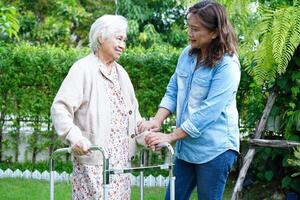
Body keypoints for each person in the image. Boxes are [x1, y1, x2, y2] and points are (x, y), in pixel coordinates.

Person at [138, 1, 241, 199]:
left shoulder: (227, 66)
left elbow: (207, 112)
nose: (189, 33)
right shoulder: (187, 55)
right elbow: (173, 90)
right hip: (187, 149)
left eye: (195, 29)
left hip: (215, 150)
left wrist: (169, 137)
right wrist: (157, 121)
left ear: (214, 32)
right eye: (189, 27)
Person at [51, 15, 145, 200]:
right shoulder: (83, 69)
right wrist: (75, 137)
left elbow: (133, 115)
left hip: (121, 162)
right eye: (119, 38)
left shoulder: (122, 74)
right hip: (94, 159)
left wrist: (145, 135)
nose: (123, 45)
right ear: (101, 38)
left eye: (124, 40)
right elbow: (60, 108)